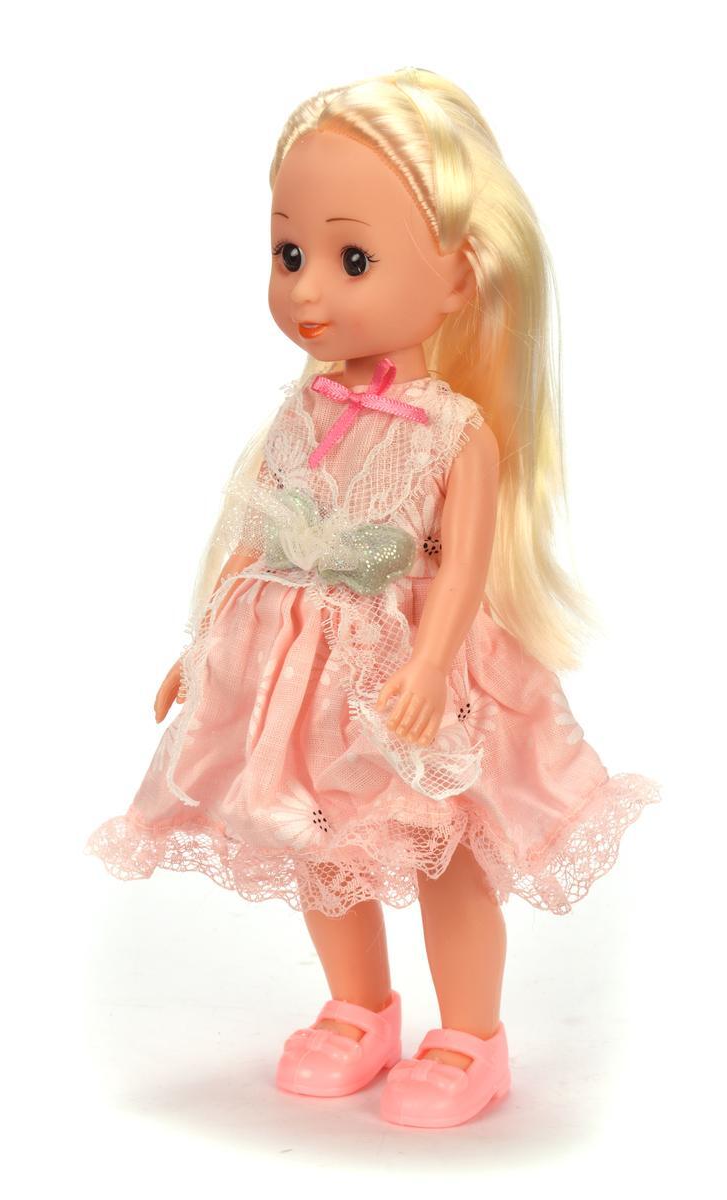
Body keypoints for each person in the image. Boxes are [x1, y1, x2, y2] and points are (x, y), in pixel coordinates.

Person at [85, 67, 662, 1129]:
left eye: (351, 259)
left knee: (445, 850)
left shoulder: (453, 432)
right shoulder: (299, 410)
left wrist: (431, 665)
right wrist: (201, 646)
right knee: (319, 837)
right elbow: (259, 530)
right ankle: (359, 1008)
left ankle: (470, 1035)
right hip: (300, 677)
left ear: (457, 276)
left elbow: (466, 567)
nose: (307, 290)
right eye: (288, 253)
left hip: (410, 674)